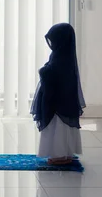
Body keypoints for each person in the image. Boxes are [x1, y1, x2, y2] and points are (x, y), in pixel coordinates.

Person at [31, 23, 85, 165]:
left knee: (58, 129)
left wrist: (44, 71)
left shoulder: (61, 58)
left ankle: (59, 155)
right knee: (62, 129)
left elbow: (53, 74)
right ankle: (65, 153)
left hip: (57, 105)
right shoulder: (64, 56)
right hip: (62, 103)